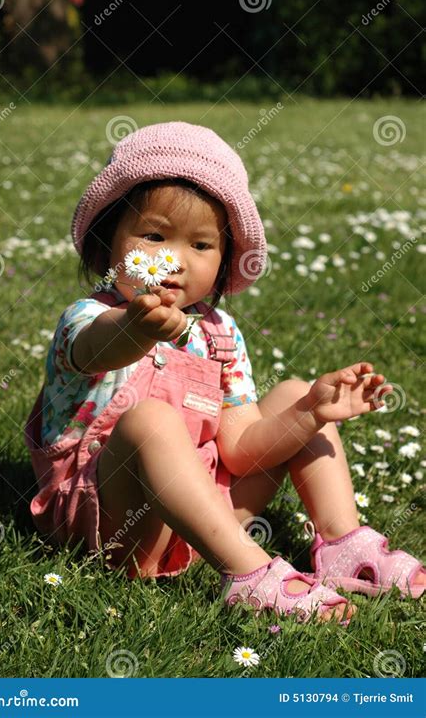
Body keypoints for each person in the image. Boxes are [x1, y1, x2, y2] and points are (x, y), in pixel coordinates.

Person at [24, 122, 425, 626]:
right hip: (112, 525)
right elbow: (97, 350)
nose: (174, 260)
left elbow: (240, 449)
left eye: (201, 245)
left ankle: (344, 542)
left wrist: (309, 414)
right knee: (150, 420)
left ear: (225, 258)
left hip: (201, 524)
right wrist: (137, 328)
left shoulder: (218, 333)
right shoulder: (89, 318)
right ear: (108, 242)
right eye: (153, 236)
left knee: (295, 393)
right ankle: (249, 576)